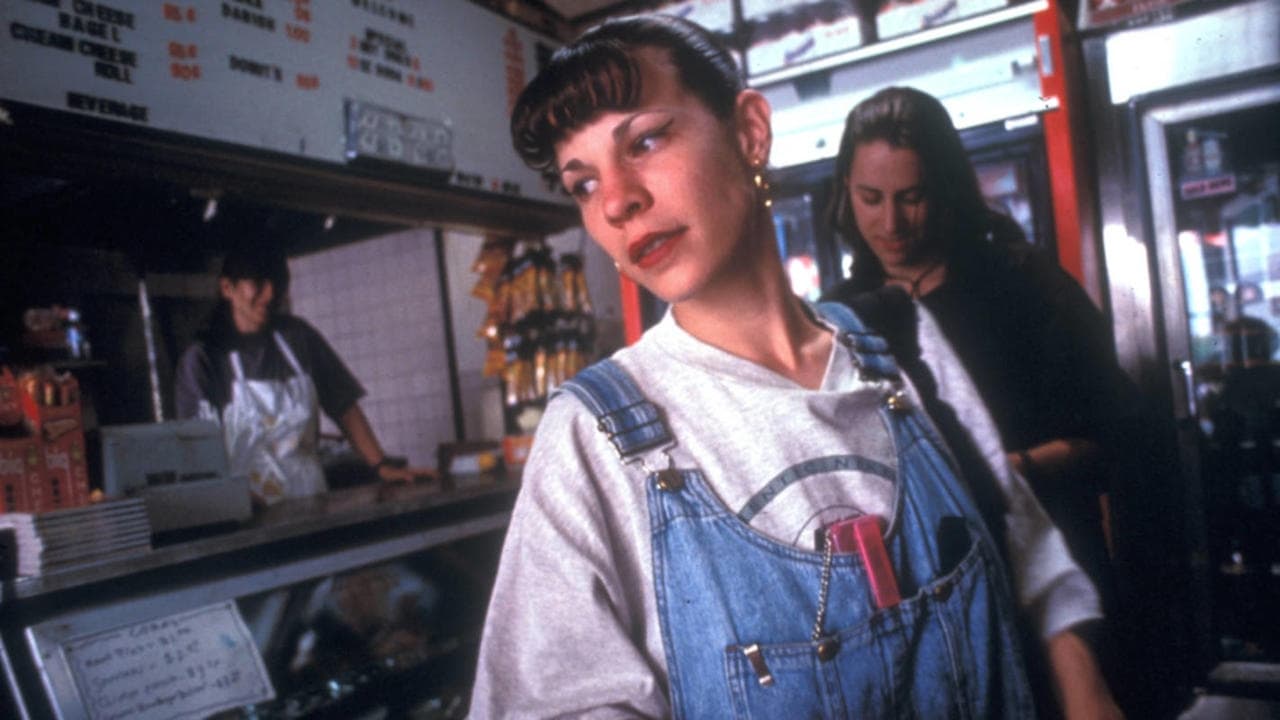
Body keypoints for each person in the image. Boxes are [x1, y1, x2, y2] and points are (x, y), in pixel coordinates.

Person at [470, 15, 1121, 719]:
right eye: (583, 183)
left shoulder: (897, 339)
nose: (618, 201)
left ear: (749, 131)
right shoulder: (594, 436)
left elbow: (1028, 553)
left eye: (646, 141)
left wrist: (1088, 692)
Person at [821, 86, 1139, 712]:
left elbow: (1120, 432)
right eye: (871, 198)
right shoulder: (838, 319)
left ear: (946, 189)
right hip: (934, 611)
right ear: (845, 195)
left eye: (912, 197)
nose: (891, 223)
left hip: (1063, 592)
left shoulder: (1025, 285)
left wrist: (1006, 472)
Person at [175, 243, 427, 504]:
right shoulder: (204, 359)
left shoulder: (297, 337)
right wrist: (229, 496)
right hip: (248, 508)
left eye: (277, 282)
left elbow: (343, 406)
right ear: (227, 288)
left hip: (310, 499)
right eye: (258, 284)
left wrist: (381, 465)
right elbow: (196, 448)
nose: (270, 294)